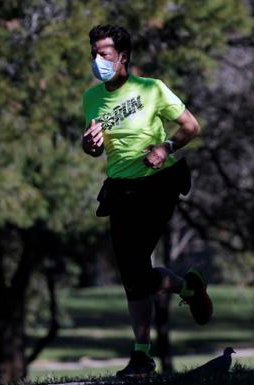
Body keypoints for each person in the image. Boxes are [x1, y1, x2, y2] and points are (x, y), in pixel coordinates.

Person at [81, 24, 213, 378]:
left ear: (122, 57)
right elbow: (95, 147)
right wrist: (89, 145)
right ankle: (186, 289)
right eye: (93, 53)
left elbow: (191, 126)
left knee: (137, 265)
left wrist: (166, 146)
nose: (97, 60)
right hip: (120, 190)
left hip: (158, 185)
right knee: (133, 277)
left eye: (104, 54)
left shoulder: (152, 89)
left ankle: (142, 355)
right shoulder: (91, 99)